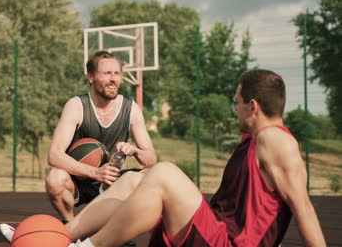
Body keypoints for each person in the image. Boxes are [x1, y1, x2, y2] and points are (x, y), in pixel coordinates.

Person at [66, 69, 326, 247]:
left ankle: (88, 246)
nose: (235, 109)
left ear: (253, 106)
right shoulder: (255, 140)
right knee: (138, 179)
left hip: (227, 243)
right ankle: (65, 235)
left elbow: (303, 208)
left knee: (164, 173)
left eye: (238, 102)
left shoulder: (276, 140)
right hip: (217, 233)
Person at [0, 51, 157, 242]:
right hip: (79, 183)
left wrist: (135, 151)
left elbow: (151, 159)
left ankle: (119, 233)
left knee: (149, 178)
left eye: (117, 73)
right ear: (91, 77)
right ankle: (70, 229)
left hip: (112, 183)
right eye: (107, 73)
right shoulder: (76, 106)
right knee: (55, 178)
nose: (113, 79)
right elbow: (54, 155)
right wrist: (95, 172)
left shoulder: (130, 109)